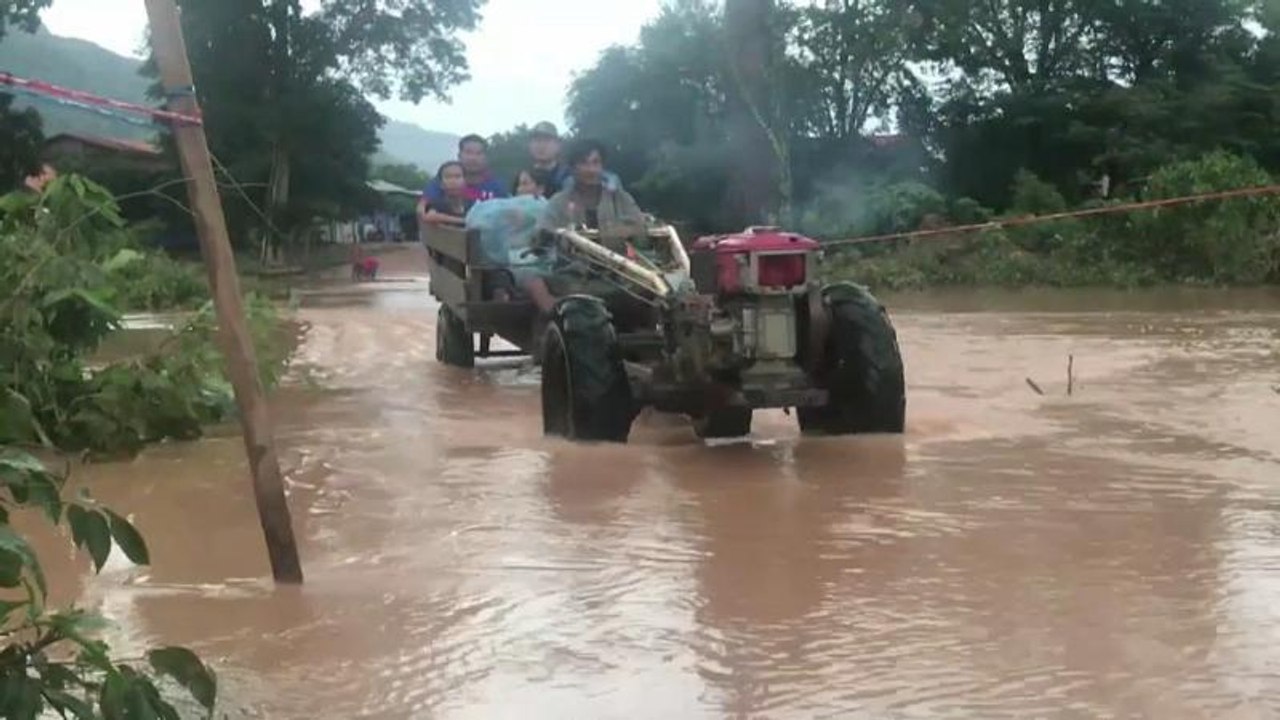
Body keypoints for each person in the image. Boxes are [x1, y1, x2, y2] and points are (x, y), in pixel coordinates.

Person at [522, 139, 648, 315]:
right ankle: (555, 315)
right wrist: (550, 236)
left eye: (595, 163)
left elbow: (639, 228)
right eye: (584, 163)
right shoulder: (559, 201)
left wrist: (620, 232)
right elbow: (541, 233)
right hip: (572, 274)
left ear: (602, 166)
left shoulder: (620, 198)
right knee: (533, 282)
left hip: (619, 273)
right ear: (572, 168)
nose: (590, 169)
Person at [417, 134, 507, 222]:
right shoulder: (441, 182)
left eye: (479, 153)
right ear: (459, 155)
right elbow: (422, 211)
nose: (473, 158)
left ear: (486, 157)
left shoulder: (497, 186)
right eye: (468, 152)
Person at [526, 121, 622, 198]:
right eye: (537, 140)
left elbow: (609, 178)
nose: (541, 146)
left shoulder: (569, 174)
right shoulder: (523, 178)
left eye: (547, 140)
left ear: (558, 145)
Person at [418, 161, 474, 226]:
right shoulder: (438, 203)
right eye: (448, 177)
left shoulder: (471, 203)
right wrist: (463, 221)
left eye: (457, 177)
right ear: (441, 184)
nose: (453, 181)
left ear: (465, 181)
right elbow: (430, 217)